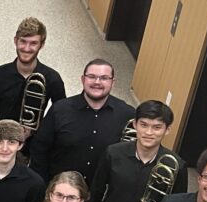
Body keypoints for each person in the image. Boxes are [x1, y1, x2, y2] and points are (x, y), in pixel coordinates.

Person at [88, 100, 187, 202]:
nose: (149, 132)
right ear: (135, 124)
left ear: (167, 129)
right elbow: (96, 191)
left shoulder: (176, 166)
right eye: (144, 125)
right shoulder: (113, 153)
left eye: (157, 127)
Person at [29, 59, 135, 187]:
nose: (97, 82)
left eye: (104, 78)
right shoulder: (60, 109)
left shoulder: (127, 114)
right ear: (83, 79)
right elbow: (39, 150)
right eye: (92, 77)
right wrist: (45, 187)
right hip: (60, 193)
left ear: (113, 82)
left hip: (101, 196)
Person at [0, 17, 66, 158]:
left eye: (33, 43)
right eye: (23, 41)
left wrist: (35, 130)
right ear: (15, 41)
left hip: (34, 149)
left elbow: (61, 118)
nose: (27, 48)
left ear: (41, 45)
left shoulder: (52, 78)